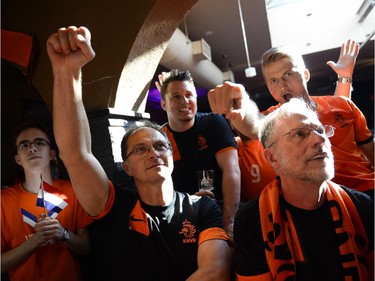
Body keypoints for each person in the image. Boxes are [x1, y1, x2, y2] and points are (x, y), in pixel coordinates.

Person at [47, 26, 232, 281]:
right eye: (141, 149)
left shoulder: (201, 207)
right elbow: (76, 154)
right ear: (127, 167)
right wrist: (67, 73)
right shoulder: (113, 206)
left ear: (171, 156)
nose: (153, 153)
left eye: (160, 146)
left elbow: (216, 271)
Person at [209, 40, 374, 197]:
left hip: (368, 189)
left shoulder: (343, 105)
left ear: (305, 75)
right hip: (324, 201)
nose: (282, 85)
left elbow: (371, 150)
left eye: (288, 74)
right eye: (273, 80)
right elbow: (255, 126)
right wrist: (242, 108)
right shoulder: (275, 119)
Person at [234, 98, 374, 280]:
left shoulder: (361, 206)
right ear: (272, 158)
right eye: (300, 134)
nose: (319, 139)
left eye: (320, 131)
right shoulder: (252, 221)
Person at [1, 122, 93, 281]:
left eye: (39, 142)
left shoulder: (73, 190)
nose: (32, 148)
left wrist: (63, 234)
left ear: (52, 154)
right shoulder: (3, 201)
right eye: (24, 145)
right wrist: (36, 240)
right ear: (17, 159)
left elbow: (86, 248)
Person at [157, 69, 241, 238]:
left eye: (189, 95)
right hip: (182, 215)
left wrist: (228, 222)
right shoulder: (160, 138)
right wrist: (190, 204)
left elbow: (232, 170)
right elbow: (158, 188)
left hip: (221, 207)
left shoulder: (213, 122)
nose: (185, 101)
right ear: (164, 104)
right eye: (176, 96)